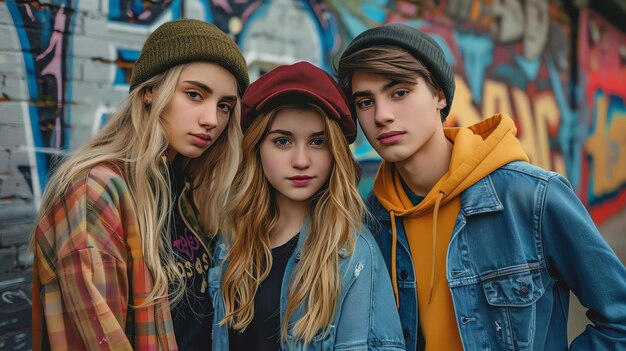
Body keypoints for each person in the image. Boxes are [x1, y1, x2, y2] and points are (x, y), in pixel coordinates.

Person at [336, 23, 626, 351]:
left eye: (399, 92)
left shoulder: (532, 198)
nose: (382, 115)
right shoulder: (370, 221)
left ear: (439, 96)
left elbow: (619, 317)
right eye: (365, 102)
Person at [31, 19, 249, 350]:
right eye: (194, 94)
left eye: (224, 106)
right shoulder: (97, 193)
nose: (212, 119)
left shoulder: (190, 189)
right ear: (150, 92)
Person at [208, 61, 405, 350]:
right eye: (283, 141)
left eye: (317, 142)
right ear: (257, 149)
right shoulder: (231, 243)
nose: (301, 161)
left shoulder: (353, 255)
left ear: (335, 151)